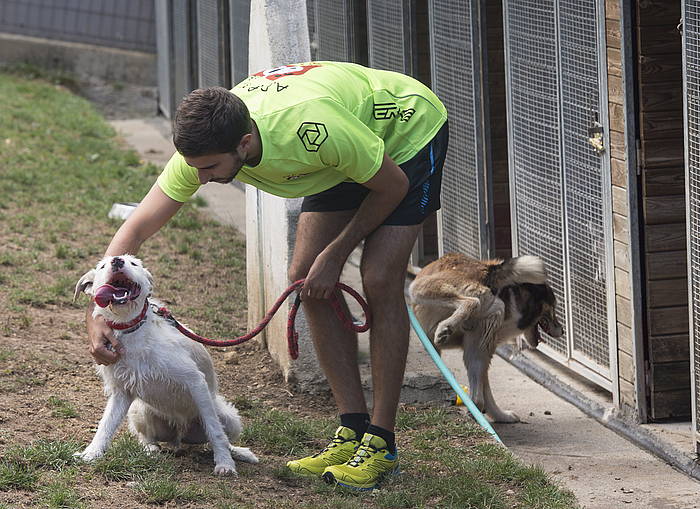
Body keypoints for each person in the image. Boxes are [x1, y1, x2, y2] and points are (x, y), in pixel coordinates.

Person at [85, 61, 448, 490]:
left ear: (244, 142)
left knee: (379, 277)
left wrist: (336, 253)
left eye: (210, 169)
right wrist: (99, 314)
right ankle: (351, 429)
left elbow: (391, 186)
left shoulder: (312, 128)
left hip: (405, 135)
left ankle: (381, 443)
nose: (200, 179)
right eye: (195, 168)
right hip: (343, 152)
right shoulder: (205, 151)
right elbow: (135, 229)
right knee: (305, 281)